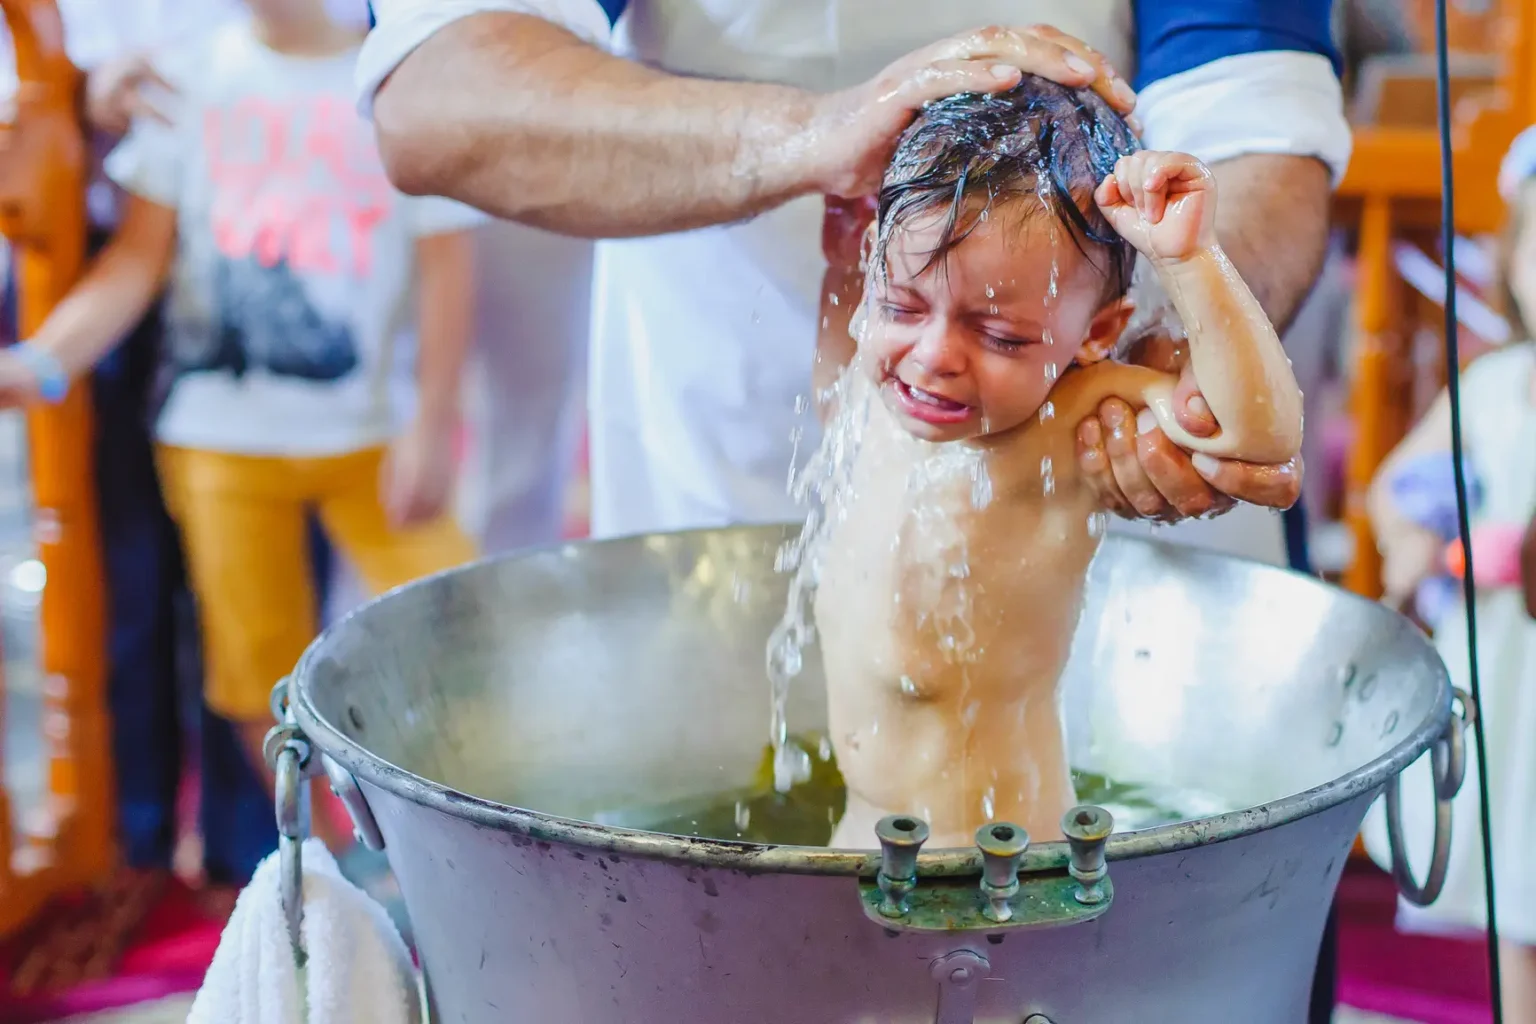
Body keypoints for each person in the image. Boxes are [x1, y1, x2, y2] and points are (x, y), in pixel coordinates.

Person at [357, 2, 1336, 562]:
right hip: (726, 479)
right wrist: (814, 138)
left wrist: (1181, 340)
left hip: (1115, 549)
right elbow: (440, 91)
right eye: (900, 306)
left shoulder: (1093, 386)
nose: (935, 357)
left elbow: (1256, 120)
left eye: (986, 333)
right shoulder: (856, 369)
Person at [0, 0, 482, 842]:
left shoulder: (395, 81)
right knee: (255, 667)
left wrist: (434, 421)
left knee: (461, 627)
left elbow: (449, 265)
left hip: (370, 432)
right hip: (220, 440)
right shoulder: (193, 78)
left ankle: (455, 831)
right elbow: (137, 259)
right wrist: (42, 360)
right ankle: (330, 859)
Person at [811, 78, 1301, 849]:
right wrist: (846, 260)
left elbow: (1258, 435)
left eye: (1002, 337)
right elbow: (841, 349)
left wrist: (1192, 261)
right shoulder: (872, 396)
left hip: (1004, 857)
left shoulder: (1065, 418)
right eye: (902, 306)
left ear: (1098, 331)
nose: (934, 357)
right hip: (858, 835)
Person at [1361, 127, 1536, 1019]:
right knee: (1514, 855)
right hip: (1507, 661)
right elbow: (1393, 487)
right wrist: (1441, 542)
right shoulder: (1497, 385)